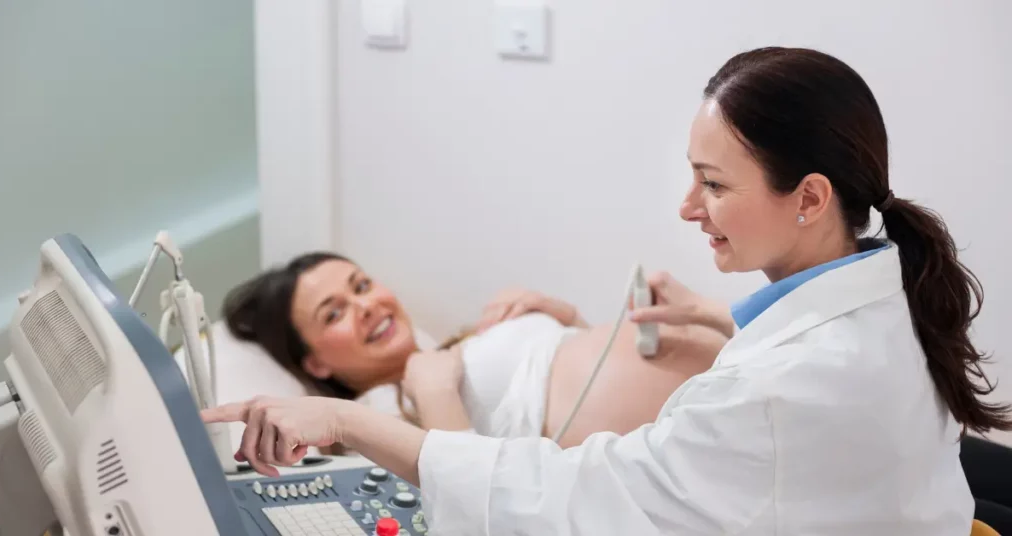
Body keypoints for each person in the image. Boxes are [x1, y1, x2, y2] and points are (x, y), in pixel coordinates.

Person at [203, 47, 1012, 535]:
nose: (689, 208)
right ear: (312, 358)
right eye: (333, 314)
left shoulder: (786, 386)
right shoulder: (874, 289)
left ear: (809, 198)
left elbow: (577, 501)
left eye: (713, 185)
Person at [219, 251, 730, 448]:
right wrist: (434, 390)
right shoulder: (374, 418)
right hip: (700, 437)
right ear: (316, 364)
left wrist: (563, 315)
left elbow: (574, 377)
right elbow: (468, 495)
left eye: (362, 285)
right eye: (334, 313)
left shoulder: (454, 343)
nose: (366, 306)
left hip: (724, 380)